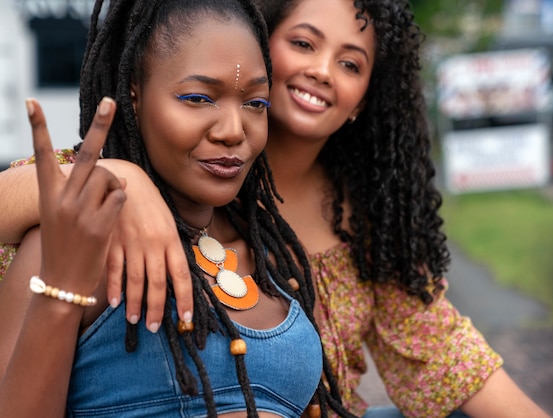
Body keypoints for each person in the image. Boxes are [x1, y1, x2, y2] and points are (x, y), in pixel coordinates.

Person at [0, 0, 549, 417]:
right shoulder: (98, 209)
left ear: (365, 98)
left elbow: (456, 363)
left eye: (351, 64)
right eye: (305, 44)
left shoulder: (345, 229)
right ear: (267, 40)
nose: (322, 71)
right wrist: (120, 179)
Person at [0, 0, 355, 416]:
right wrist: (62, 287)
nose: (233, 131)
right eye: (198, 98)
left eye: (255, 103)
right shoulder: (73, 245)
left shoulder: (275, 259)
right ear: (133, 95)